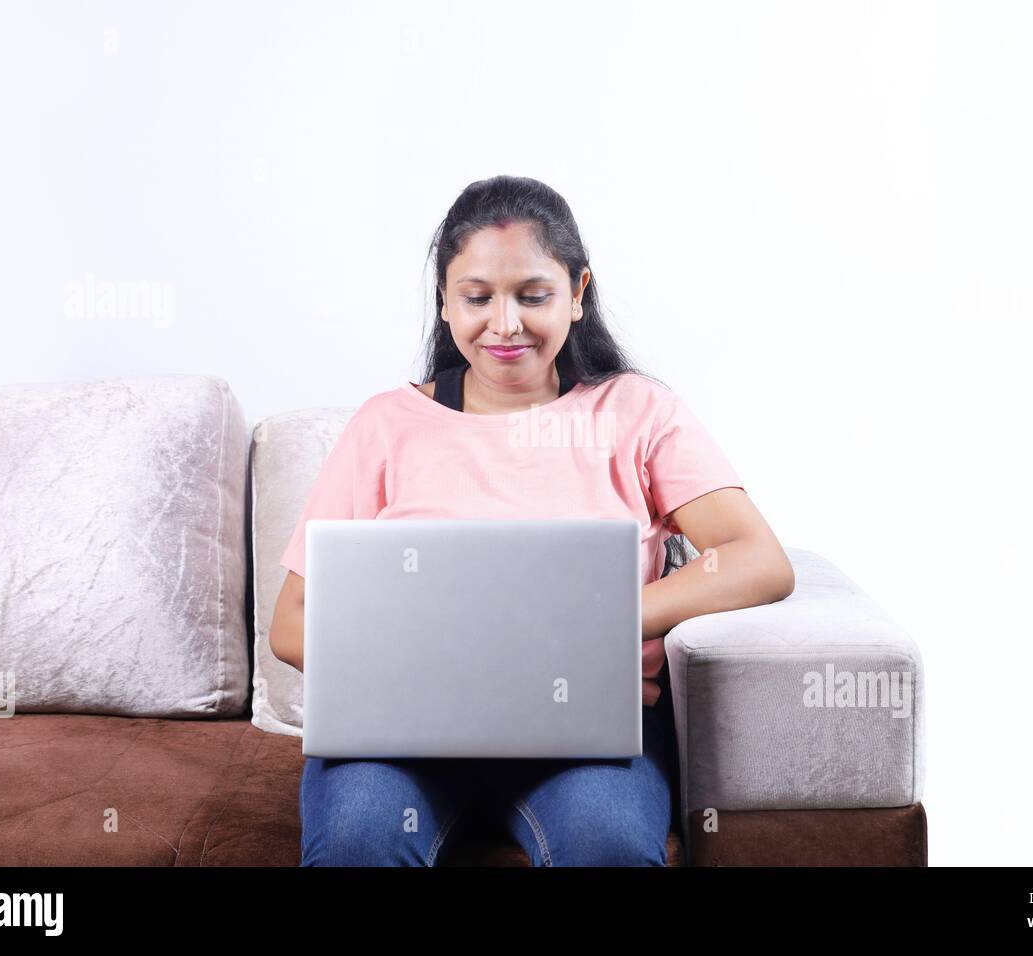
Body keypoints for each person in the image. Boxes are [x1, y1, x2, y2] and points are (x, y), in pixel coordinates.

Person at [269, 174, 795, 866]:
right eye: (477, 298)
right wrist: (501, 663)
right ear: (445, 302)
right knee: (355, 844)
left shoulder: (636, 412)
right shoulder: (386, 425)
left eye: (534, 295)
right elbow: (292, 621)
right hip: (403, 737)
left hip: (581, 736)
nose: (505, 324)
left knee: (606, 846)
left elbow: (756, 556)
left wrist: (602, 627)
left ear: (578, 294)